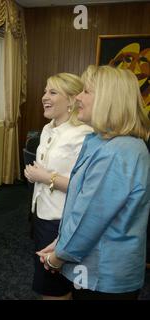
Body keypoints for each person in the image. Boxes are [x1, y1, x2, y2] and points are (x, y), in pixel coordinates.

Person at [37, 65, 150, 300]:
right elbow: (80, 205)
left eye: (86, 91)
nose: (78, 96)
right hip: (91, 265)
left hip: (105, 275)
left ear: (108, 100)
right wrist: (60, 242)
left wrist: (58, 256)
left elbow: (91, 218)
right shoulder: (101, 141)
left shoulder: (118, 151)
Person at [24, 73, 93, 300]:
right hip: (42, 214)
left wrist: (45, 177)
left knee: (55, 288)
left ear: (72, 100)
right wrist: (35, 174)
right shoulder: (47, 129)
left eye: (53, 92)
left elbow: (86, 187)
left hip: (62, 220)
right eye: (45, 91)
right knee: (52, 283)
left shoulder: (84, 135)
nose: (44, 97)